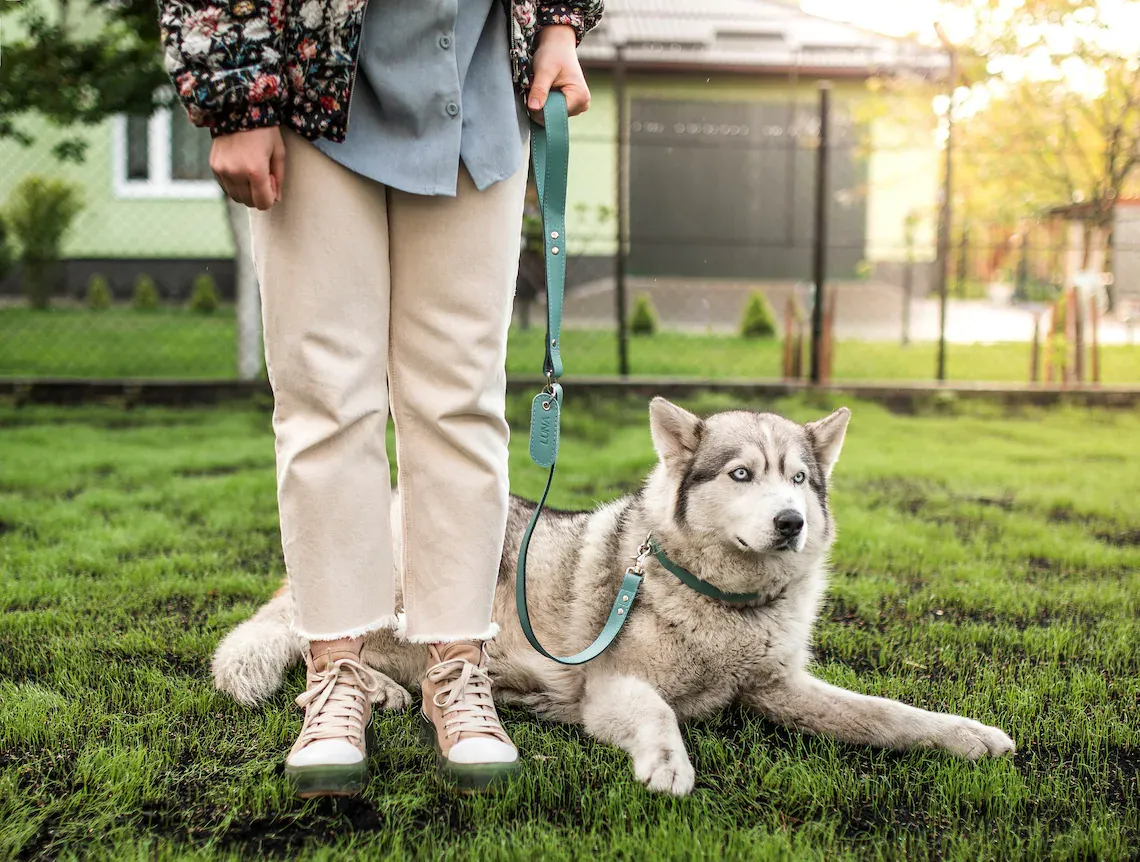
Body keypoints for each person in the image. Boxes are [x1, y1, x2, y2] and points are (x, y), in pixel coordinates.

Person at [159, 0, 599, 795]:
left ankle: (459, 670)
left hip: (475, 78)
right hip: (312, 88)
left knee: (461, 400)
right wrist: (239, 94)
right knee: (326, 399)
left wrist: (559, 26)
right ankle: (335, 673)